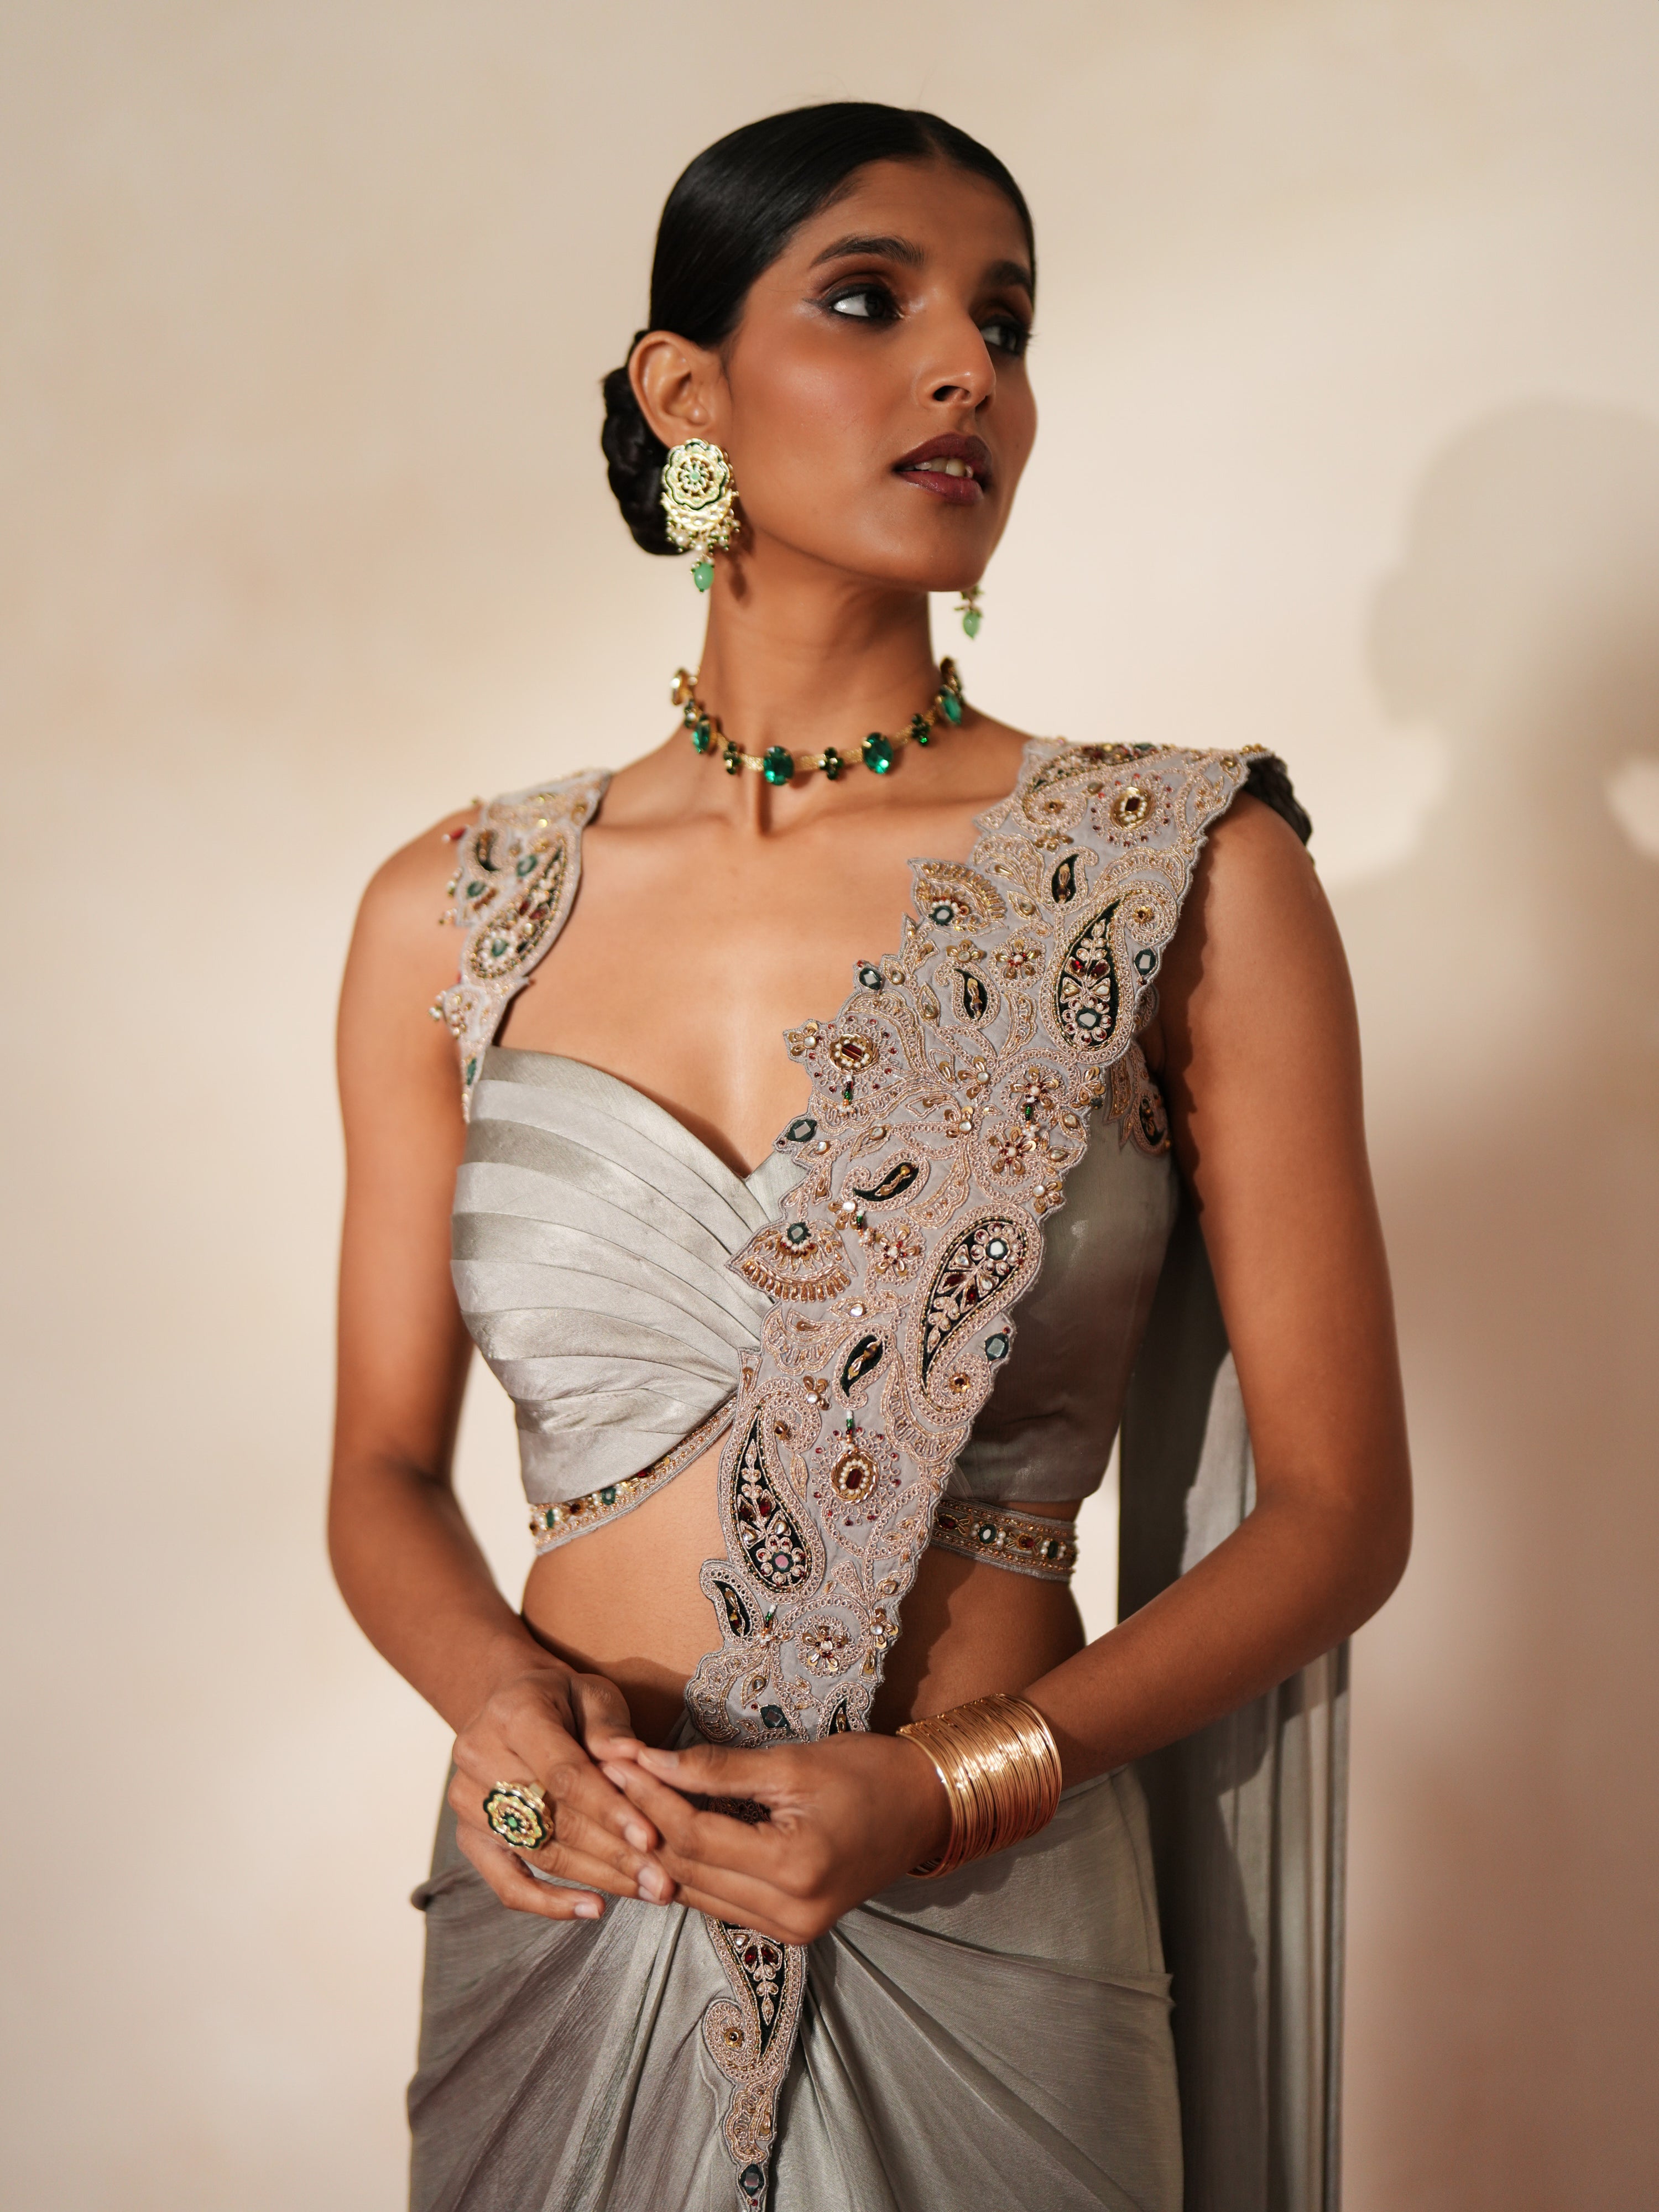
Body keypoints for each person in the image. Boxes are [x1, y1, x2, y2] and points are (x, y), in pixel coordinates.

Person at [328, 102, 1412, 2212]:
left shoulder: (1185, 867)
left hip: (986, 1922)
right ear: (684, 391)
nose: (969, 373)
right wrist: (507, 1718)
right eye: (871, 301)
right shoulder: (450, 910)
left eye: (1005, 322)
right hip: (567, 1918)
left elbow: (1341, 1514)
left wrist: (955, 1791)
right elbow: (380, 1472)